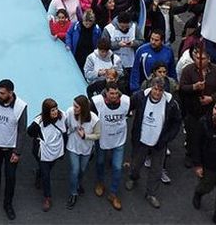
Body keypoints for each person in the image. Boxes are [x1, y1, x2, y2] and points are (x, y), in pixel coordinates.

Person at [125, 77, 181, 209]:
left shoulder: (171, 103)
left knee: (156, 169)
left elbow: (176, 122)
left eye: (160, 90)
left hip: (160, 142)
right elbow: (127, 106)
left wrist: (167, 138)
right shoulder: (140, 96)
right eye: (155, 89)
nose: (157, 92)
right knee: (136, 163)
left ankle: (151, 193)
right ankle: (133, 178)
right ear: (151, 87)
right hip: (141, 139)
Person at [0, 79, 27, 221]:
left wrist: (17, 152)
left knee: (10, 176)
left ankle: (8, 204)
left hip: (10, 149)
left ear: (11, 93)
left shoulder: (20, 107)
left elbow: (21, 131)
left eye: (2, 93)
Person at [91, 82, 129, 211]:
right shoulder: (97, 103)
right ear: (106, 93)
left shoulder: (126, 101)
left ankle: (113, 193)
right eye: (111, 93)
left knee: (117, 167)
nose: (114, 96)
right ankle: (100, 182)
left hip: (119, 139)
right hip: (102, 138)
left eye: (116, 93)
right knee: (100, 162)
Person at [26, 98, 66, 212]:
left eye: (56, 109)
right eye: (52, 110)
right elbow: (30, 132)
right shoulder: (38, 122)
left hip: (56, 150)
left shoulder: (62, 116)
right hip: (42, 152)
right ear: (46, 111)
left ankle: (38, 174)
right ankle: (47, 197)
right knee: (46, 174)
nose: (55, 112)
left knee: (47, 169)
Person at [64, 95, 100, 209]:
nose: (74, 108)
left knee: (82, 170)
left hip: (86, 148)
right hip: (73, 146)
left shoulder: (94, 119)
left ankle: (78, 184)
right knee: (75, 170)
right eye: (74, 105)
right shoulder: (69, 112)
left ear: (83, 108)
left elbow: (98, 135)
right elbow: (65, 124)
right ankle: (73, 193)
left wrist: (85, 136)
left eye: (77, 107)